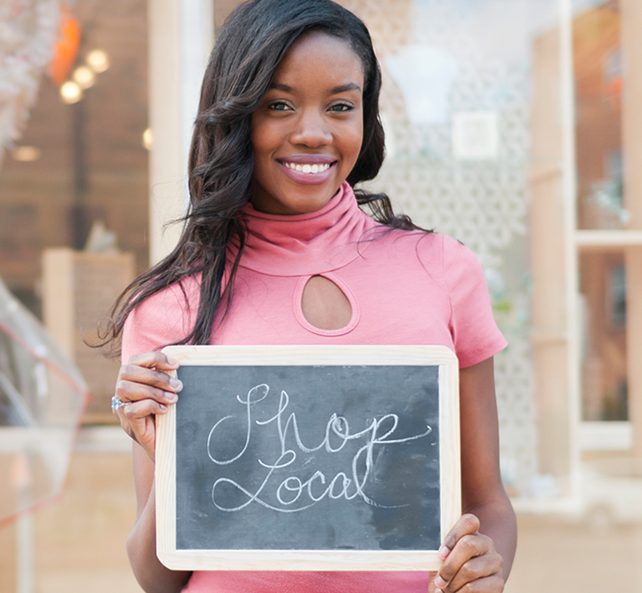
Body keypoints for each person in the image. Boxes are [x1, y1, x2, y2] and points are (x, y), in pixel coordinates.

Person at [103, 1, 517, 592]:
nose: (314, 132)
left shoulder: (442, 271)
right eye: (279, 104)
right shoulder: (170, 309)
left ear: (366, 121)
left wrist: (483, 567)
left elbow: (489, 505)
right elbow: (159, 577)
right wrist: (170, 452)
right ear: (238, 114)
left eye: (341, 106)